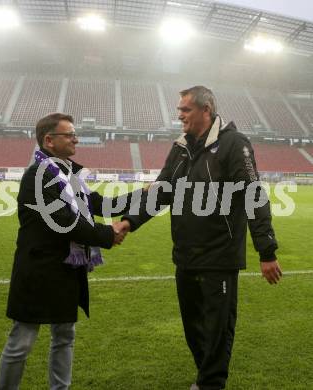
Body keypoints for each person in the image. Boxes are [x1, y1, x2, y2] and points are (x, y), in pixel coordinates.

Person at [116, 86, 282, 390]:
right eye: (179, 110)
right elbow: (162, 190)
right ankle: (206, 378)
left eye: (185, 110)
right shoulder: (180, 147)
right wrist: (130, 221)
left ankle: (210, 383)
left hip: (219, 256)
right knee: (193, 326)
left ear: (206, 110)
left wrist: (266, 251)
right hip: (186, 255)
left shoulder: (234, 144)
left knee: (217, 328)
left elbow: (254, 197)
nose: (179, 115)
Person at [0, 112, 136, 390]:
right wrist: (107, 234)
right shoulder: (38, 176)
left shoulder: (68, 174)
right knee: (21, 342)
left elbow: (100, 204)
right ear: (49, 140)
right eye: (69, 134)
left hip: (65, 269)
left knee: (64, 336)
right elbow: (65, 223)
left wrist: (143, 195)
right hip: (38, 271)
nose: (76, 139)